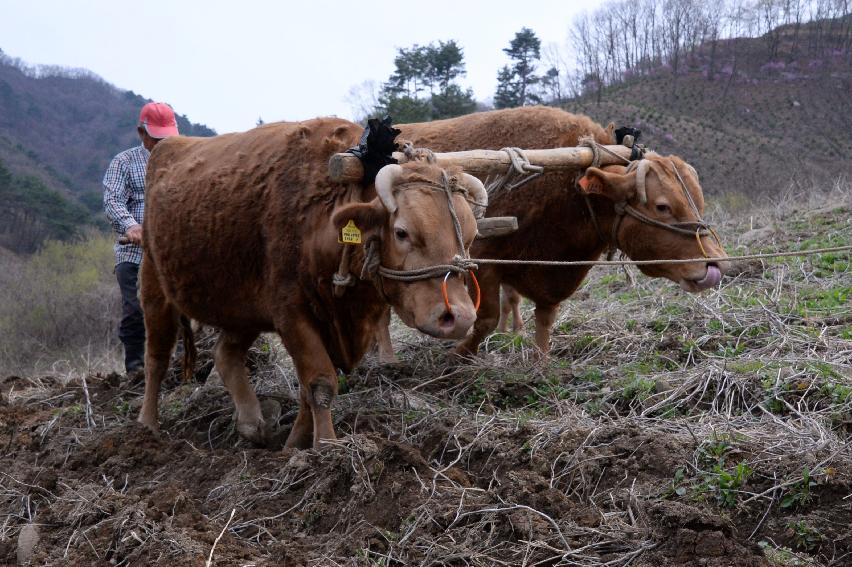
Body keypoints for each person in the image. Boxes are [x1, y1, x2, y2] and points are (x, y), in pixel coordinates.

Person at [103, 102, 179, 374]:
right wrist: (131, 226)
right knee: (135, 309)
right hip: (133, 252)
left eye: (166, 138)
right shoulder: (124, 162)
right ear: (141, 133)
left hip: (173, 253)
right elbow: (112, 200)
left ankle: (184, 367)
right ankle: (135, 369)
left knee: (182, 309)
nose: (160, 144)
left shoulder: (186, 162)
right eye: (155, 138)